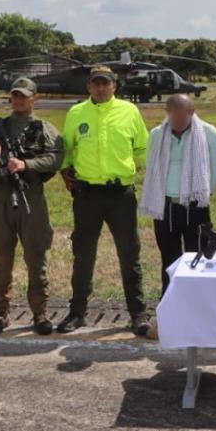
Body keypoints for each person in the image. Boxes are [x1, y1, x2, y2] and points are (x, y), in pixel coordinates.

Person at [58, 66, 151, 335]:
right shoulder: (77, 113)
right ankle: (77, 313)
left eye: (105, 83)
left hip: (121, 194)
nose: (100, 88)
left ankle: (138, 313)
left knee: (129, 255)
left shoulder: (129, 111)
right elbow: (68, 148)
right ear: (88, 87)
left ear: (115, 86)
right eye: (95, 83)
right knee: (83, 255)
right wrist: (66, 172)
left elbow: (142, 147)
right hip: (88, 195)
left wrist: (144, 170)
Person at [0, 77, 63, 336]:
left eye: (25, 95)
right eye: (15, 95)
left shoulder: (44, 128)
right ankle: (0, 312)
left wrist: (26, 165)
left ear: (35, 98)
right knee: (2, 259)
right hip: (1, 197)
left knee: (36, 257)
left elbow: (55, 158)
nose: (19, 100)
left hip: (31, 196)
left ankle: (40, 313)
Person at [139, 94, 216, 293]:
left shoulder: (208, 132)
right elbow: (151, 165)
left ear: (191, 112)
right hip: (165, 206)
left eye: (182, 118)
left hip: (196, 206)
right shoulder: (157, 134)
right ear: (167, 113)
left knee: (198, 256)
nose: (177, 123)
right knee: (169, 258)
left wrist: (203, 194)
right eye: (173, 118)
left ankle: (198, 302)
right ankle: (170, 300)